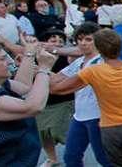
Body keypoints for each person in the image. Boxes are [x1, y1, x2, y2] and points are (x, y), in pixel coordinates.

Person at [49, 29, 122, 166]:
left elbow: (57, 89)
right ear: (121, 47)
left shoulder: (91, 72)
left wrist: (44, 69)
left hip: (110, 128)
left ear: (98, 49)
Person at [54, 22, 111, 167]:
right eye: (79, 39)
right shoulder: (79, 61)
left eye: (88, 39)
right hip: (79, 116)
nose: (83, 43)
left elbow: (62, 86)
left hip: (97, 116)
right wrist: (39, 70)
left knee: (103, 158)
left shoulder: (100, 62)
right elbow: (56, 79)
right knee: (71, 157)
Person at [36, 29, 75, 167]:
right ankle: (52, 159)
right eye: (53, 41)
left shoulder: (69, 58)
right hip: (43, 101)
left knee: (63, 133)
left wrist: (44, 71)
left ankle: (74, 158)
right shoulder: (37, 58)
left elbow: (70, 78)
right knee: (44, 133)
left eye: (60, 41)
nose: (57, 44)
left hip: (65, 100)